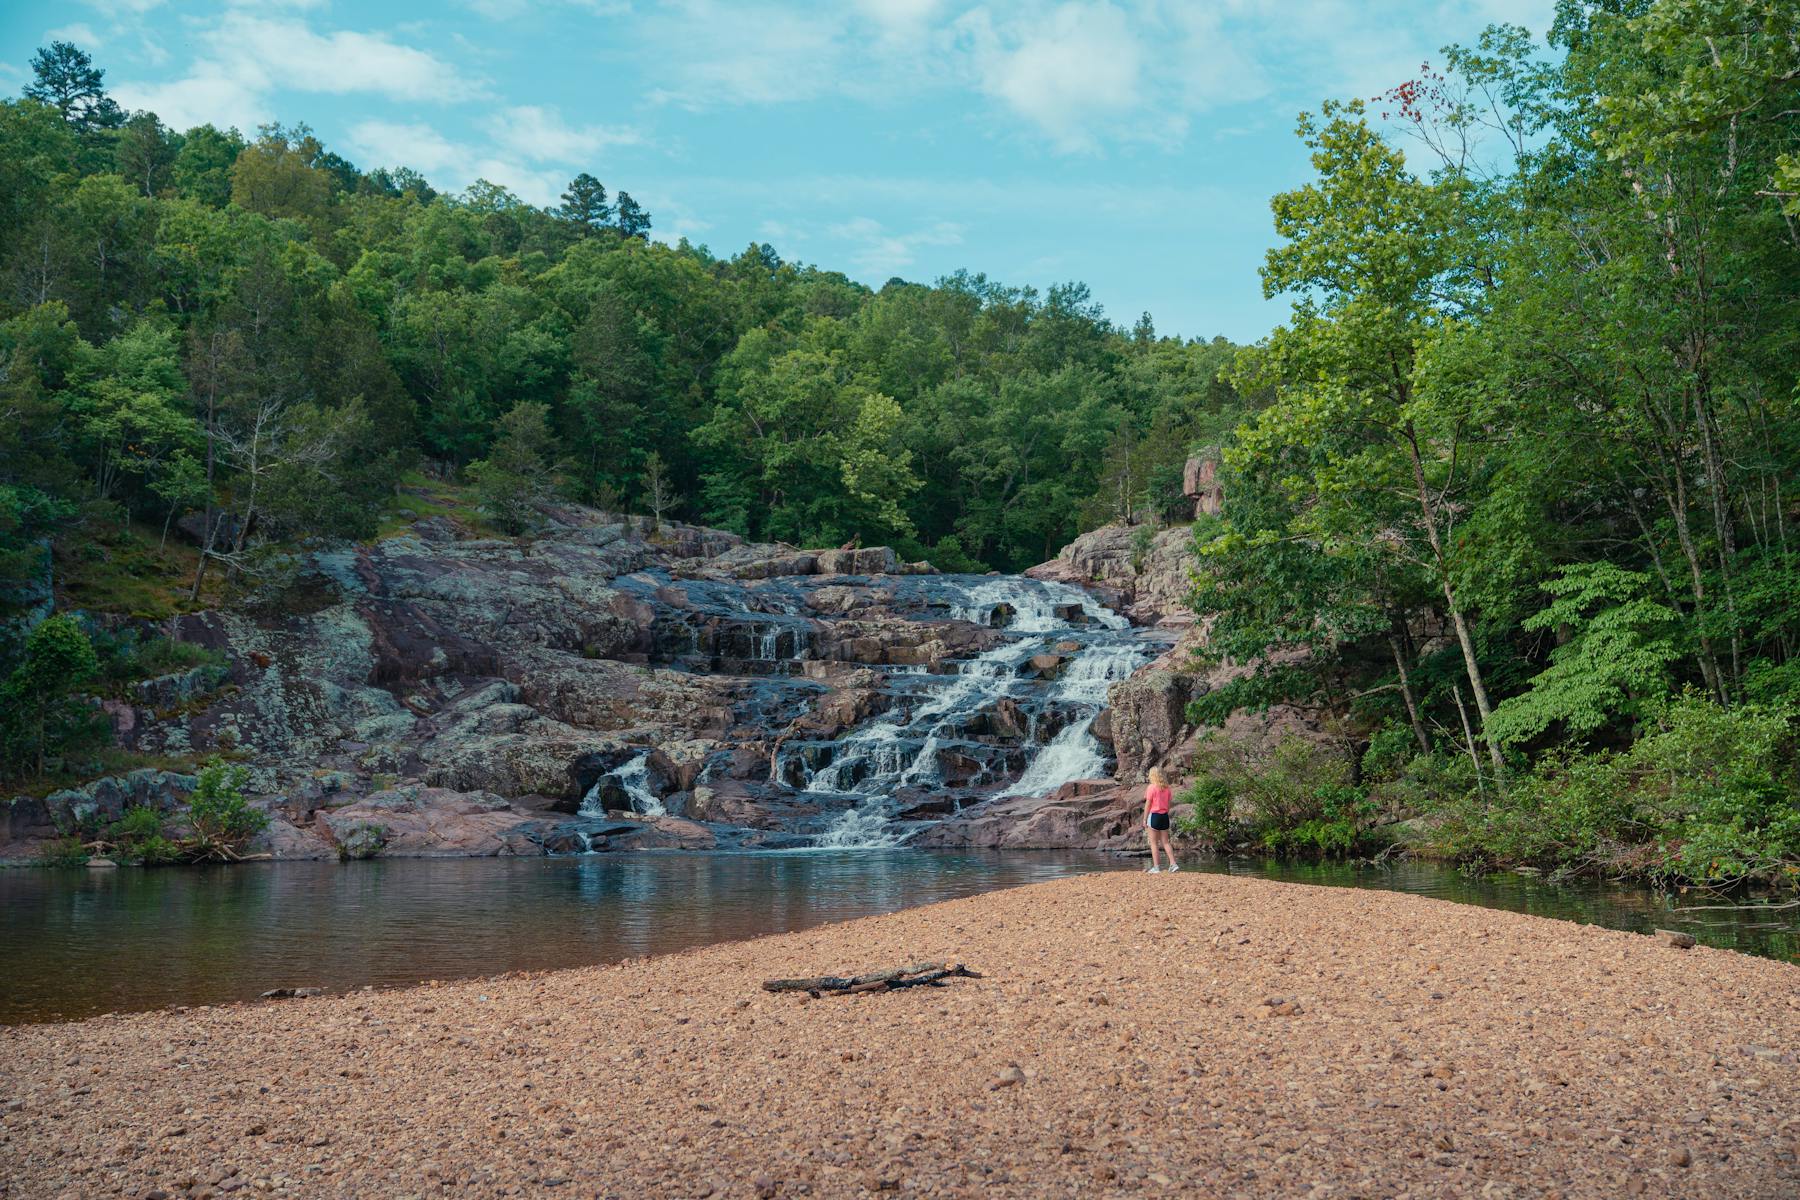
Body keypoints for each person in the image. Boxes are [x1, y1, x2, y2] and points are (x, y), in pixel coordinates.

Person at [1143, 766, 1178, 873]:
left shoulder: (1151, 788)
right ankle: (1173, 864)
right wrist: (1165, 812)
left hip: (1154, 816)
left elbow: (1148, 805)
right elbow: (1169, 804)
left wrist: (1144, 819)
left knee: (1154, 843)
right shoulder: (1167, 788)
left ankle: (1156, 867)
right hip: (1164, 816)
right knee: (1166, 842)